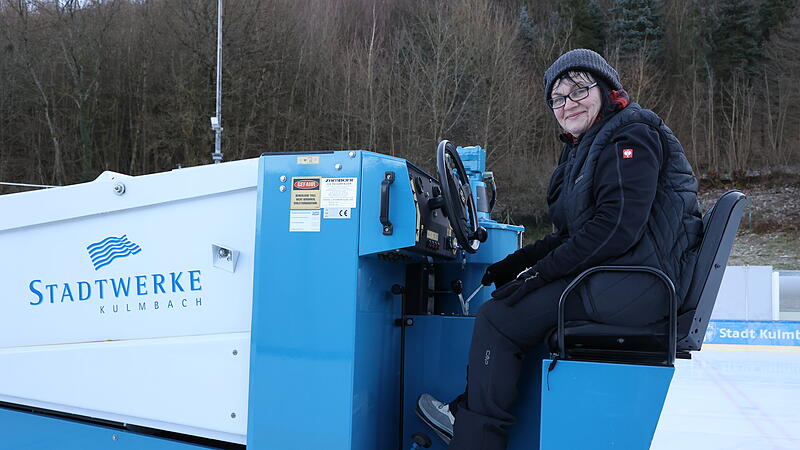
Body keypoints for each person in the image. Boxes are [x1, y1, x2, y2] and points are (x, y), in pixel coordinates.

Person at [416, 49, 702, 449]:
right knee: (509, 301)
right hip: (623, 277)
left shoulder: (631, 135)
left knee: (498, 318)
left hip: (634, 284)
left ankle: (475, 436)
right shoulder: (592, 144)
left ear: (605, 89)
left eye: (579, 90)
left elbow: (616, 228)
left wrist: (539, 274)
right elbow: (576, 232)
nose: (569, 104)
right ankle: (483, 418)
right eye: (558, 98)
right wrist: (517, 263)